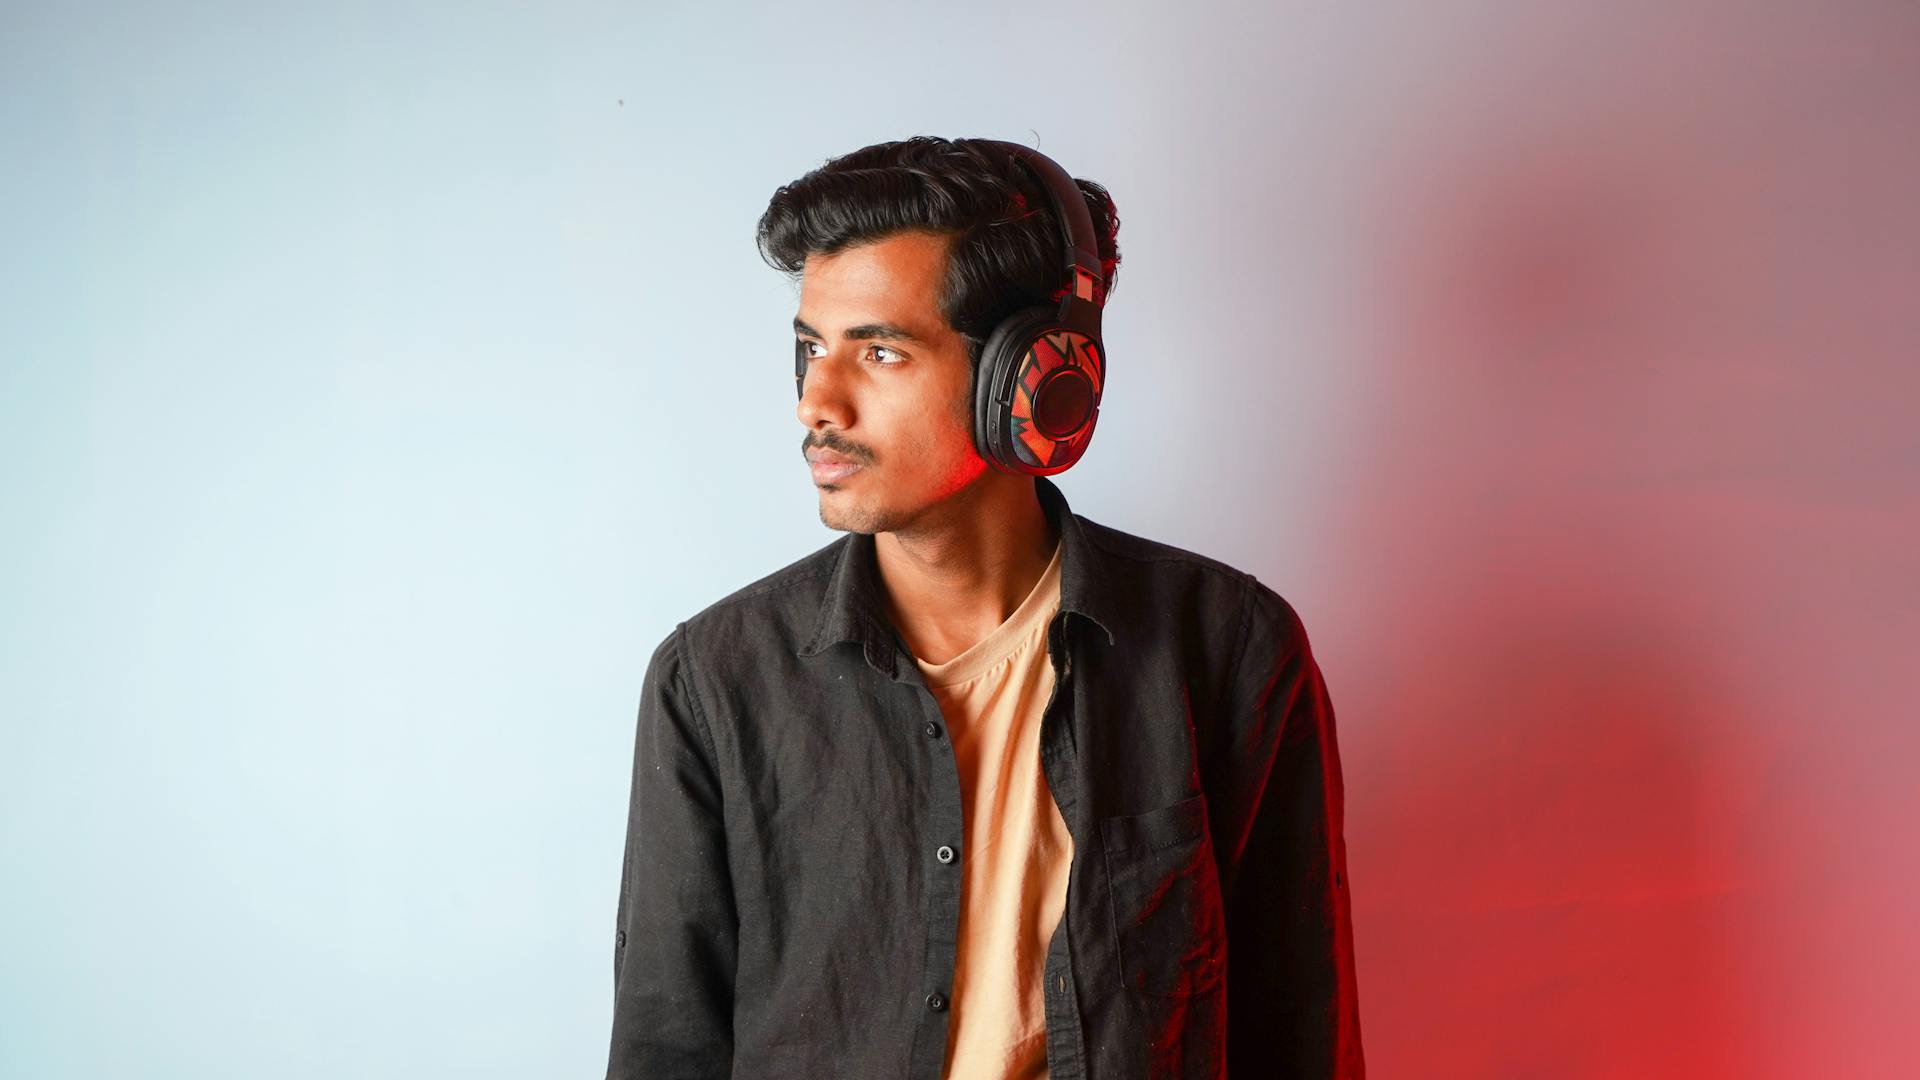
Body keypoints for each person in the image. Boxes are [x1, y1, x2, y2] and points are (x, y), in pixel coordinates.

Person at [604, 135, 1364, 1079]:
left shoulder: (1230, 651)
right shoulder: (713, 682)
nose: (816, 401)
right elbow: (665, 1051)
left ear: (1036, 379)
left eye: (879, 351)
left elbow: (1296, 1033)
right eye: (810, 348)